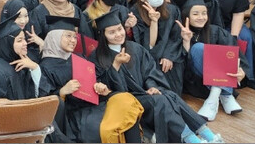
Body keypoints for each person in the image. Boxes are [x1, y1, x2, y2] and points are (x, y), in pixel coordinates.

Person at [91, 11, 222, 144]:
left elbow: (150, 71)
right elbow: (104, 88)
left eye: (120, 29)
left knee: (170, 95)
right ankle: (193, 140)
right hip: (126, 102)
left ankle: (208, 135)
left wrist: (152, 86)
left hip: (145, 94)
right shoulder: (96, 57)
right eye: (112, 32)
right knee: (161, 101)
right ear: (103, 35)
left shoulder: (135, 48)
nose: (118, 34)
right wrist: (116, 64)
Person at [39, 15, 144, 143]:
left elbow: (93, 79)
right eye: (68, 36)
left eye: (74, 36)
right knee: (108, 124)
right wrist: (62, 92)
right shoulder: (45, 67)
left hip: (96, 104)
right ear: (54, 38)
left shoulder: (79, 57)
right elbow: (44, 102)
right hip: (75, 115)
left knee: (125, 102)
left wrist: (99, 85)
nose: (73, 40)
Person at [172, 0, 248, 121]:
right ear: (186, 16)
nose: (201, 17)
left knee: (227, 52)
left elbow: (233, 52)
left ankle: (214, 98)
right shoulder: (179, 32)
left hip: (221, 82)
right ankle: (225, 94)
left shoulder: (216, 30)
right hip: (197, 82)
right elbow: (183, 63)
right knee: (199, 48)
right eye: (195, 14)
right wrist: (186, 41)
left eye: (204, 13)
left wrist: (240, 70)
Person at [127, 0, 187, 94]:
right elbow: (148, 46)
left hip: (168, 56)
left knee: (173, 64)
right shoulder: (135, 14)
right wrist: (153, 22)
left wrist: (169, 56)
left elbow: (175, 37)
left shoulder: (172, 10)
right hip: (149, 59)